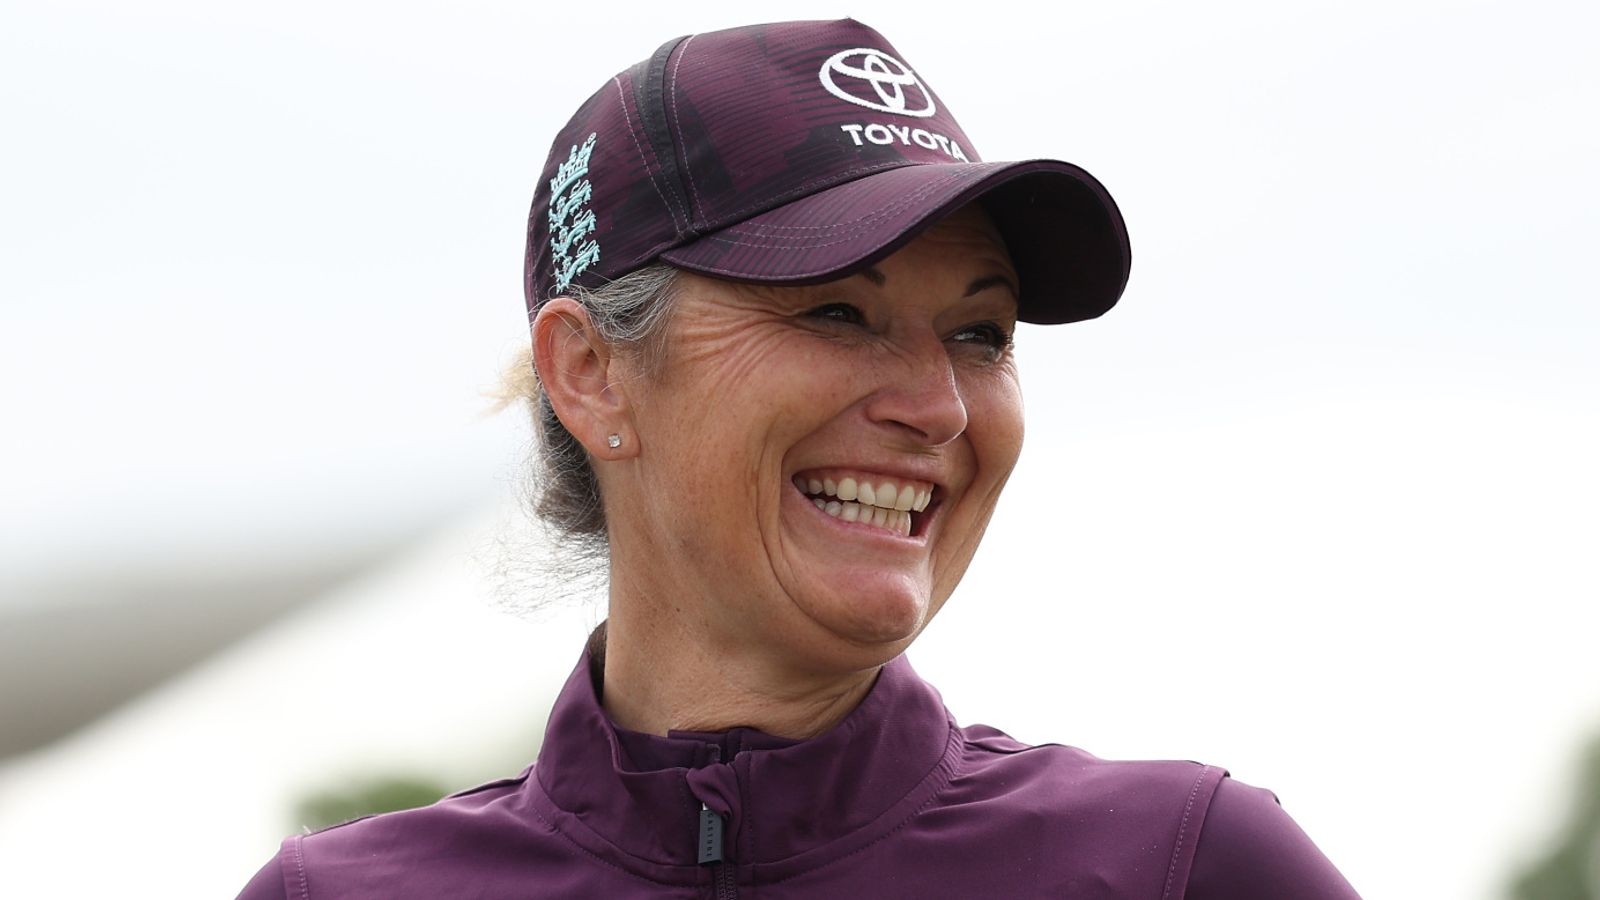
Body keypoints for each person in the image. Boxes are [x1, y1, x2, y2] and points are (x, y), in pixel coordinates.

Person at [239, 18, 1360, 899]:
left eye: (980, 334)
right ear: (590, 373)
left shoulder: (1185, 870)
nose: (938, 408)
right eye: (834, 311)